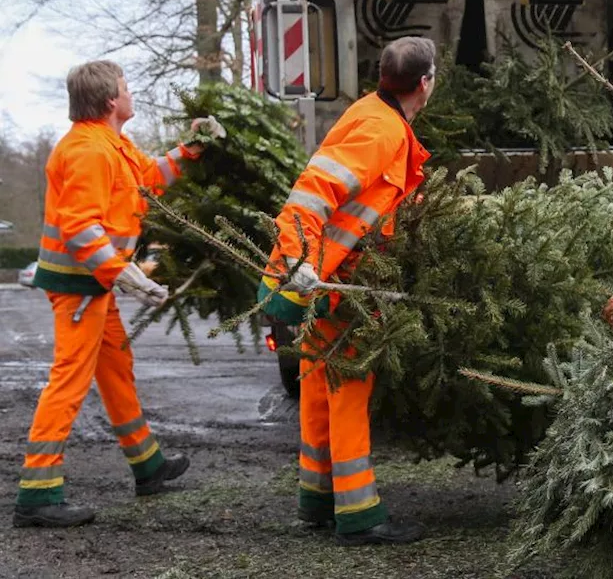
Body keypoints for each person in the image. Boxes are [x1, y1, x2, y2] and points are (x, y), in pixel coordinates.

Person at [15, 60, 224, 528]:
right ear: (111, 100)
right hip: (80, 289)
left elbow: (149, 178)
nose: (132, 95)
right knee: (69, 380)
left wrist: (192, 148)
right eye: (127, 88)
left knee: (116, 368)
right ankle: (37, 493)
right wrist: (125, 273)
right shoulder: (88, 150)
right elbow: (80, 227)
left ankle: (147, 464)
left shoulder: (112, 144)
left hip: (95, 286)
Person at [257, 37, 434, 546]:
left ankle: (316, 499)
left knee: (317, 382)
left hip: (331, 274)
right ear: (425, 83)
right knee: (349, 386)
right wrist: (299, 262)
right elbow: (313, 190)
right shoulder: (382, 130)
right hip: (341, 278)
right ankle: (359, 514)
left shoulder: (371, 114)